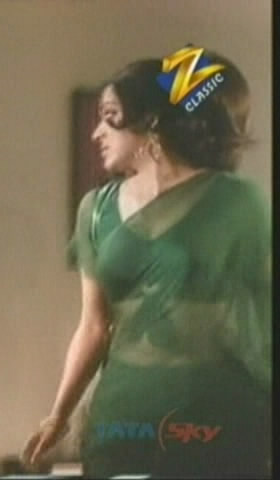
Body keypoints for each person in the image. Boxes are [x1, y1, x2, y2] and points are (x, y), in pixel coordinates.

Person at [22, 51, 271, 478]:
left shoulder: (239, 204)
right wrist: (58, 415)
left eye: (110, 117)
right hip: (122, 417)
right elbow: (93, 327)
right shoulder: (96, 210)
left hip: (216, 416)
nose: (97, 132)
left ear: (151, 121)